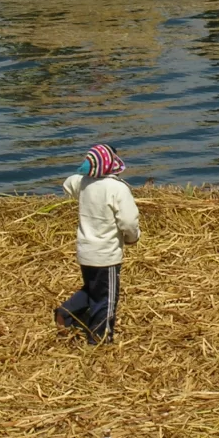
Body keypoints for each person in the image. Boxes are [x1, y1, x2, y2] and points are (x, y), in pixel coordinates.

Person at [55, 144, 140, 343]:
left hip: (85, 251)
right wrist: (132, 238)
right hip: (106, 255)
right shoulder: (117, 188)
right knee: (107, 299)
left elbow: (68, 184)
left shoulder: (83, 183)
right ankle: (99, 338)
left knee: (93, 288)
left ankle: (66, 312)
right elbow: (128, 221)